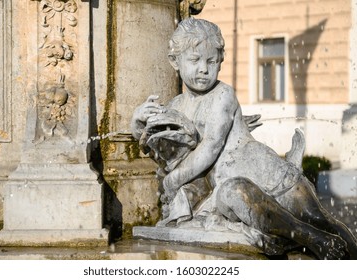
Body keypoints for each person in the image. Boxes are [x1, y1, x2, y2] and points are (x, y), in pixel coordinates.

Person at [131, 18, 357, 259]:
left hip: (272, 179)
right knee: (237, 194)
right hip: (231, 189)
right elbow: (152, 141)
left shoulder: (223, 95)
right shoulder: (177, 104)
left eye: (211, 61)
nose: (203, 69)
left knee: (321, 220)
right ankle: (311, 239)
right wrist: (137, 121)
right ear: (175, 61)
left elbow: (210, 147)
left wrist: (172, 180)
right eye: (195, 60)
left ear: (220, 62)